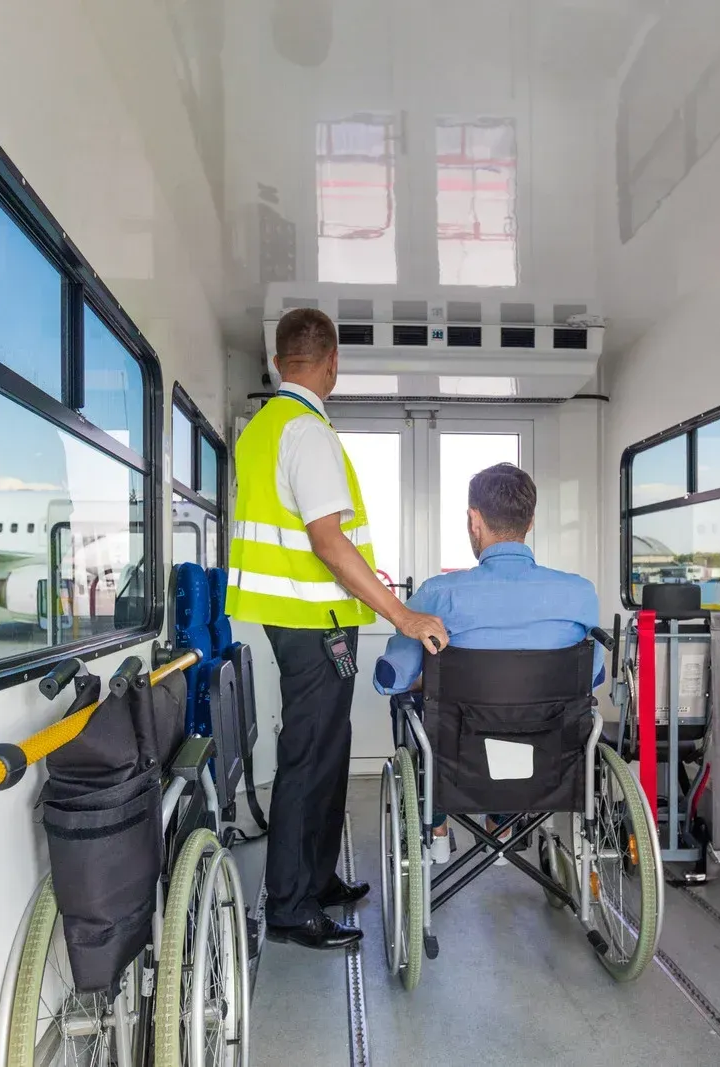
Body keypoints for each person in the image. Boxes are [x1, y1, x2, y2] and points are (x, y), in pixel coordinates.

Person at [225, 308, 449, 951]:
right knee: (308, 759)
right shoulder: (309, 431)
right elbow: (326, 539)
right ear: (332, 364)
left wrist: (360, 584)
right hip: (314, 621)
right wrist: (400, 614)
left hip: (294, 617)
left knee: (323, 752)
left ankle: (316, 879)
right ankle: (291, 907)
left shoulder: (263, 430)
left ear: (276, 360)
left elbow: (306, 537)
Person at [373, 462, 606, 866]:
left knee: (421, 711)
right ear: (529, 522)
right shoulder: (579, 594)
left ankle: (439, 828)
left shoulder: (438, 594)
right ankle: (502, 823)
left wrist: (417, 681)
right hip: (548, 764)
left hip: (460, 765)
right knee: (525, 714)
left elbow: (391, 678)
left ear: (473, 519)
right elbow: (594, 673)